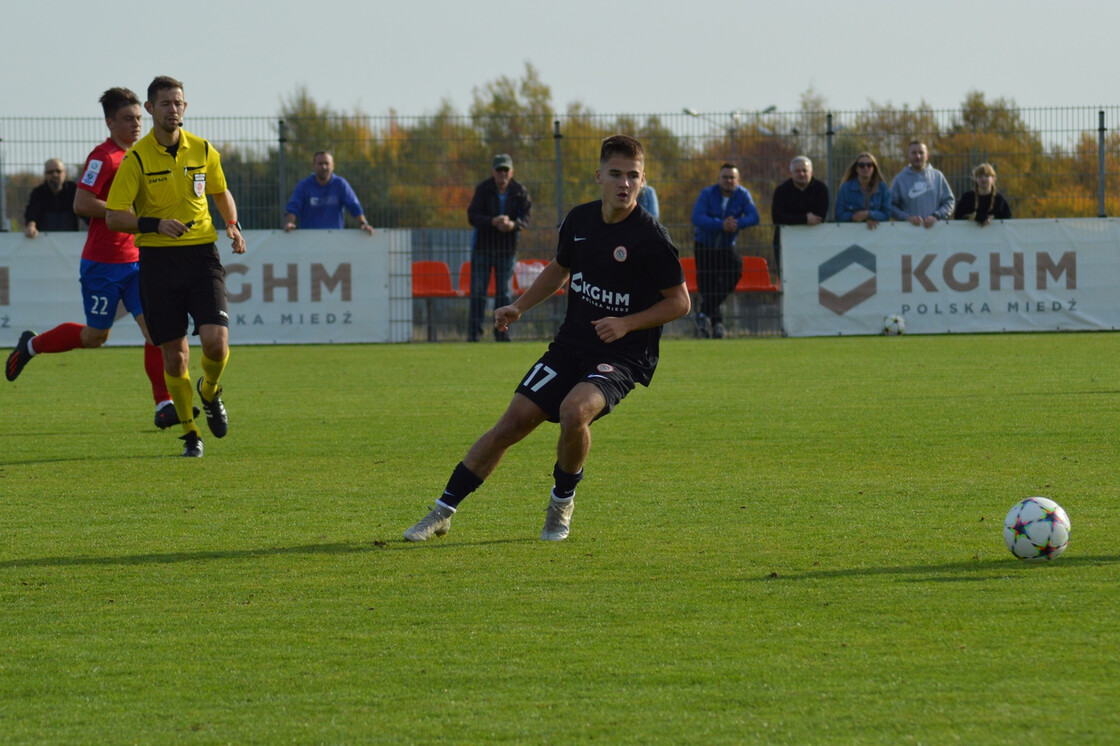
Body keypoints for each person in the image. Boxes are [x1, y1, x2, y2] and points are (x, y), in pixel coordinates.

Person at [404, 134, 690, 543]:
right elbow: (559, 269)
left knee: (576, 411)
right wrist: (518, 307)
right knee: (512, 423)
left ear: (643, 181)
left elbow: (680, 303)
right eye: (615, 174)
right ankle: (442, 511)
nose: (623, 184)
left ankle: (561, 504)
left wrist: (627, 323)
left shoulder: (651, 238)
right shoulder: (580, 221)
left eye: (633, 176)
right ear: (599, 176)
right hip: (571, 345)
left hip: (622, 356)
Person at [6, 88, 197, 428]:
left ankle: (163, 404)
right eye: (128, 119)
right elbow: (81, 203)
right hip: (103, 264)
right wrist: (122, 211)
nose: (136, 124)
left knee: (155, 332)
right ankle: (31, 345)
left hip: (139, 260)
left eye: (139, 118)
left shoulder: (143, 154)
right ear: (110, 122)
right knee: (96, 337)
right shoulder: (103, 157)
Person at [105, 75, 246, 458]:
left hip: (202, 255)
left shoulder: (202, 149)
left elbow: (220, 191)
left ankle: (210, 391)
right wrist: (154, 224)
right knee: (175, 355)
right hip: (158, 261)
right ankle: (190, 434)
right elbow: (114, 217)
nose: (173, 110)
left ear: (186, 107)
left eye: (179, 103)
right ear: (150, 109)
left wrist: (232, 225)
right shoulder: (136, 159)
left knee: (216, 344)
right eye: (165, 104)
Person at [466, 153, 532, 342]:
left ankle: (502, 334)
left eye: (505, 170)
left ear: (511, 172)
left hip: (507, 249)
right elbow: (473, 216)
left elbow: (526, 217)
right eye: (499, 170)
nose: (502, 174)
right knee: (478, 293)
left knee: (504, 294)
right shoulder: (482, 190)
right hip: (483, 249)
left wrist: (513, 225)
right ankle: (474, 335)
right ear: (493, 171)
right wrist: (492, 221)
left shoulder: (520, 191)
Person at [689, 163, 759, 339]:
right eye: (725, 177)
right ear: (718, 179)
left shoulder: (743, 194)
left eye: (732, 177)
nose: (728, 180)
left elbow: (754, 216)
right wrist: (720, 224)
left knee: (735, 269)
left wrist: (736, 224)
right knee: (707, 284)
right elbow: (697, 217)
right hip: (705, 244)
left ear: (738, 180)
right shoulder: (707, 193)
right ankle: (716, 324)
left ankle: (703, 314)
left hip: (727, 246)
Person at [283, 151, 374, 235]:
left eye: (327, 163)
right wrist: (289, 223)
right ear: (313, 166)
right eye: (320, 164)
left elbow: (354, 206)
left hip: (334, 238)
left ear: (333, 166)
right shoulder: (303, 185)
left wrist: (363, 223)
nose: (324, 167)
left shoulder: (340, 184)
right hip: (308, 239)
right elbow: (293, 207)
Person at [770, 155, 829, 276]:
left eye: (805, 171)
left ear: (811, 172)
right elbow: (777, 218)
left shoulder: (821, 189)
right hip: (785, 241)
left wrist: (791, 218)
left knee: (813, 275)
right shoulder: (781, 191)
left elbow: (820, 217)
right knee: (787, 275)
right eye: (797, 171)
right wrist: (804, 218)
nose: (801, 174)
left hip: (814, 240)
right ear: (790, 173)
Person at [890, 140, 955, 228]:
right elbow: (891, 206)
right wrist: (907, 217)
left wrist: (936, 216)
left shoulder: (937, 176)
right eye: (913, 153)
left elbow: (949, 202)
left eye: (921, 152)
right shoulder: (899, 179)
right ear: (908, 157)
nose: (918, 156)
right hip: (907, 233)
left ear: (927, 156)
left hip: (935, 232)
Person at [23, 158, 80, 237]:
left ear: (64, 173)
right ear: (45, 175)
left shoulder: (74, 189)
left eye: (58, 171)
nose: (55, 175)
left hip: (70, 239)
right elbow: (32, 212)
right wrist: (31, 226)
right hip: (45, 240)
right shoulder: (38, 192)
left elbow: (85, 211)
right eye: (50, 172)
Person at [835, 152, 892, 230]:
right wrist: (860, 218)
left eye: (869, 165)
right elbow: (839, 215)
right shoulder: (845, 188)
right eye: (861, 165)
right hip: (851, 232)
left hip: (876, 232)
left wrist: (868, 214)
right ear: (856, 168)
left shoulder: (882, 188)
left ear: (874, 168)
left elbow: (887, 214)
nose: (866, 168)